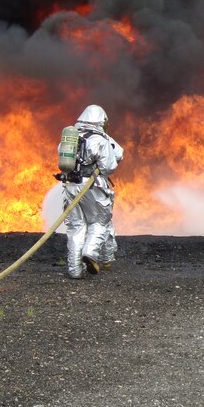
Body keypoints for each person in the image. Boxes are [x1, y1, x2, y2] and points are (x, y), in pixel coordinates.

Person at [58, 105, 124, 279]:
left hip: (70, 186)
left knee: (76, 227)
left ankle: (75, 270)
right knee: (99, 222)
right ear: (100, 120)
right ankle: (90, 253)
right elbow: (108, 167)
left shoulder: (70, 137)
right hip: (92, 186)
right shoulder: (100, 140)